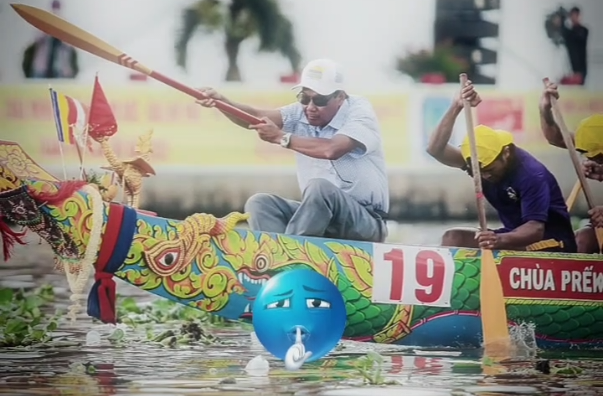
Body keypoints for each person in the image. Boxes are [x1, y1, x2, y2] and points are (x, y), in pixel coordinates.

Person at [197, 58, 389, 242]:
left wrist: (282, 138)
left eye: (319, 100)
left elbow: (332, 149)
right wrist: (221, 102)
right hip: (323, 220)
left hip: (365, 223)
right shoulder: (300, 111)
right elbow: (256, 117)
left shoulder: (359, 111)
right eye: (304, 98)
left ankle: (290, 252)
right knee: (260, 203)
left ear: (340, 97)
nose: (310, 107)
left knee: (320, 188)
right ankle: (275, 255)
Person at [426, 80, 577, 252]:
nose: (485, 176)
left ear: (505, 153)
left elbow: (535, 230)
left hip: (552, 242)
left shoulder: (531, 174)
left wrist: (497, 240)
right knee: (453, 238)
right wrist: (456, 107)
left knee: (497, 243)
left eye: (490, 170)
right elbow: (435, 149)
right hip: (512, 237)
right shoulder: (480, 165)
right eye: (479, 173)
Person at [539, 80, 602, 252]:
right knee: (582, 241)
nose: (595, 161)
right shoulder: (594, 139)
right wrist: (545, 108)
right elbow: (556, 137)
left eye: (599, 159)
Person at [22, 0, 79, 79]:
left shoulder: (65, 25)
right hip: (42, 68)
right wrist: (47, 27)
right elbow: (37, 40)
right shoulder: (42, 23)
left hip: (61, 69)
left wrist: (61, 29)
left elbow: (69, 45)